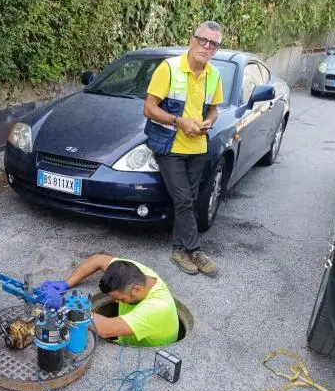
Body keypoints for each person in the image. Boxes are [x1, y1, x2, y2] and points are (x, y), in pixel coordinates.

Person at [143, 20, 225, 277]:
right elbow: (149, 108)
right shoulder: (169, 68)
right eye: (203, 40)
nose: (207, 46)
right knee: (182, 199)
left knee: (188, 200)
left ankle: (179, 250)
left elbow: (213, 109)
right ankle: (195, 250)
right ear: (192, 39)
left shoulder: (214, 75)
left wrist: (209, 121)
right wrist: (179, 122)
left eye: (213, 44)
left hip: (197, 147)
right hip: (171, 146)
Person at [41, 253, 179, 347]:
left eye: (120, 298)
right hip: (126, 337)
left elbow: (106, 329)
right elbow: (98, 260)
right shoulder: (138, 273)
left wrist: (64, 304)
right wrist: (67, 284)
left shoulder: (158, 308)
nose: (116, 302)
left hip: (144, 357)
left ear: (136, 289)